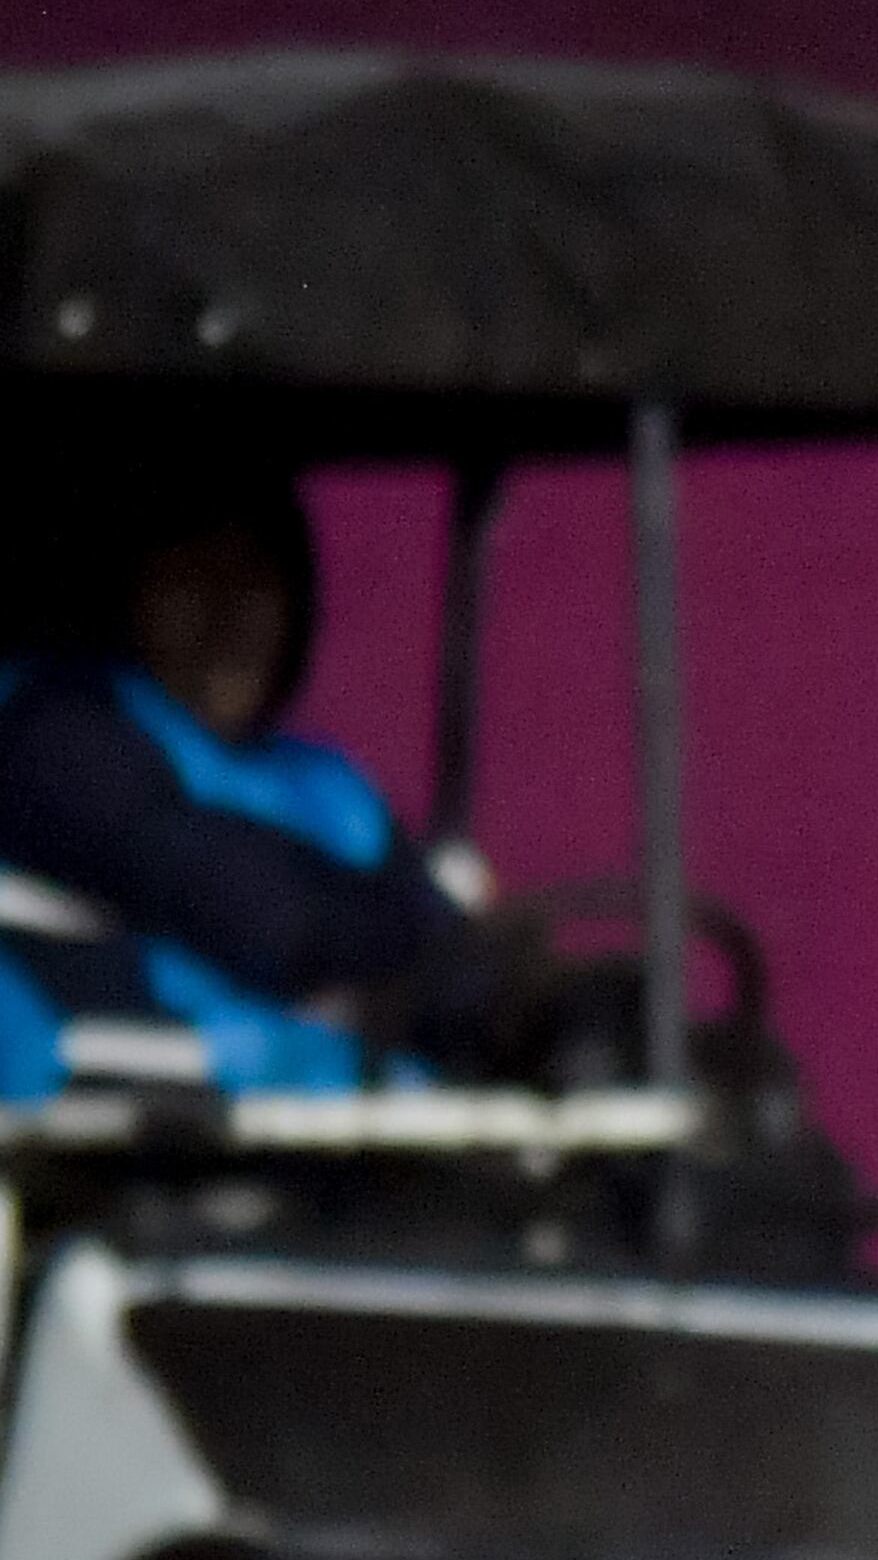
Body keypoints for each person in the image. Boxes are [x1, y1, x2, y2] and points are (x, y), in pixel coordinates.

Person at [0, 462, 512, 1093]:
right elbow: (259, 913)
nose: (232, 614)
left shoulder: (327, 784)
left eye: (258, 579)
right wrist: (430, 937)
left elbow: (457, 979)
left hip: (350, 1120)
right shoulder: (56, 731)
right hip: (134, 1129)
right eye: (197, 575)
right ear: (131, 588)